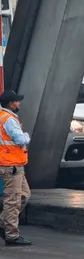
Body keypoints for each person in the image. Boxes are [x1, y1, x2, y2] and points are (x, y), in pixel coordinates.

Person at [0, 90, 32, 246]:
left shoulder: (2, 116)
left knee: (24, 195)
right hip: (11, 165)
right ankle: (11, 235)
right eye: (17, 101)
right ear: (11, 103)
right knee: (13, 201)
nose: (19, 103)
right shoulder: (9, 120)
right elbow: (19, 139)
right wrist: (27, 135)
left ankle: (2, 224)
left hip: (13, 165)